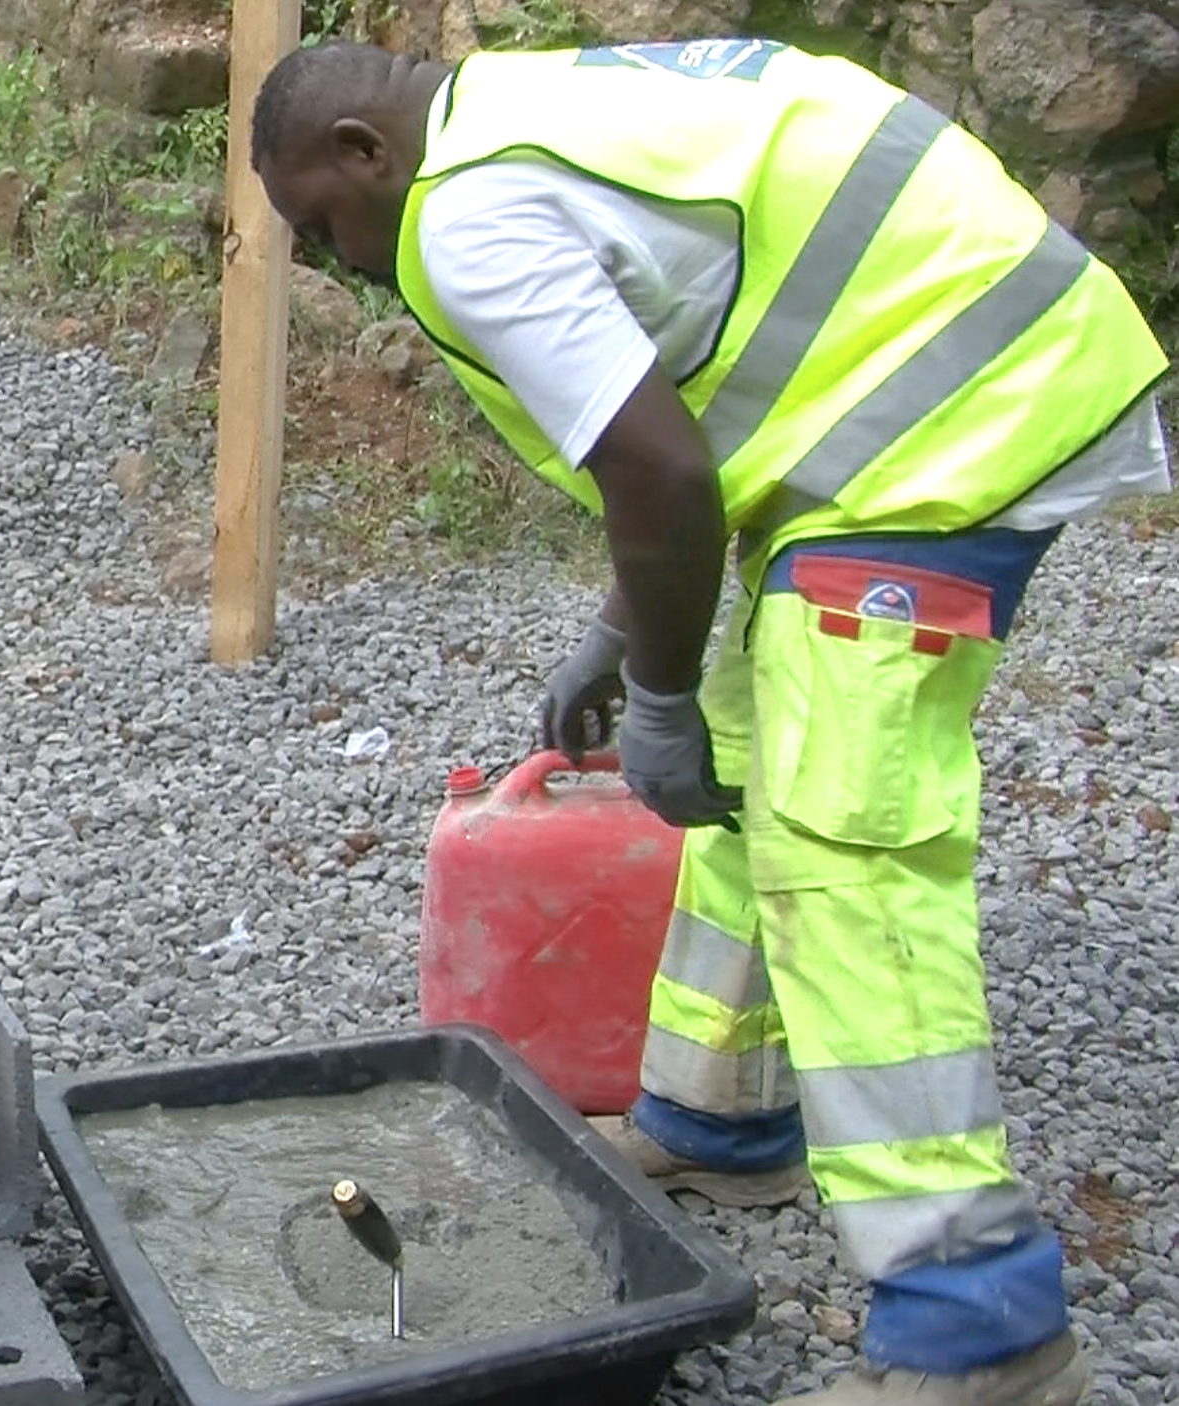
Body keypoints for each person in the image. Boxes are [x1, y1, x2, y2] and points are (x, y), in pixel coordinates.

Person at [248, 33, 1173, 1406]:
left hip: (944, 421)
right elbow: (700, 388)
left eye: (323, 229)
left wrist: (661, 687)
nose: (340, 264)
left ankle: (982, 1336)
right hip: (906, 388)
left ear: (363, 153)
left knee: (843, 851)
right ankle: (721, 1123)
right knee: (749, 770)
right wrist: (624, 633)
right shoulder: (516, 105)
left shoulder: (466, 213)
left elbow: (662, 471)